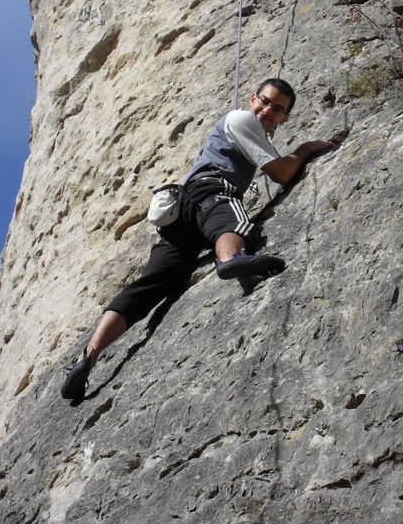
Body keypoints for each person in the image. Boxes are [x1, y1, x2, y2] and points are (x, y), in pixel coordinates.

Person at [61, 78, 341, 400]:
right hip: (210, 190)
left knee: (150, 284)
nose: (266, 111)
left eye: (277, 109)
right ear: (252, 99)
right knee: (230, 218)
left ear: (284, 118)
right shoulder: (242, 119)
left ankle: (88, 357)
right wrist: (304, 150)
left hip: (180, 217)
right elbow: (280, 172)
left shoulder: (246, 127)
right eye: (264, 102)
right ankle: (231, 260)